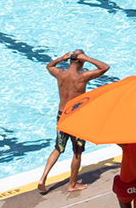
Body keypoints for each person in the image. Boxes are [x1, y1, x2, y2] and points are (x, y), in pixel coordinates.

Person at [37, 50, 109, 193]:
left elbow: (49, 66)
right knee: (77, 151)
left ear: (69, 61)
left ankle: (42, 178)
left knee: (58, 148)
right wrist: (88, 58)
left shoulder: (60, 74)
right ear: (81, 62)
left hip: (62, 114)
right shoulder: (83, 76)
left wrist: (60, 58)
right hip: (77, 118)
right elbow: (104, 67)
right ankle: (73, 184)